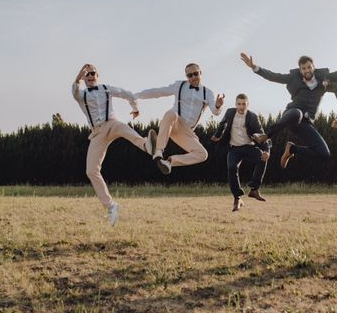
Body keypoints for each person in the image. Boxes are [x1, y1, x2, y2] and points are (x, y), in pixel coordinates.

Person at [240, 42, 337, 169]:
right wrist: (254, 67)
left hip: (305, 123)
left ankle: (292, 149)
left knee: (324, 153)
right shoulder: (294, 78)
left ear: (313, 67)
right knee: (296, 113)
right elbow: (274, 76)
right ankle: (266, 136)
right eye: (303, 68)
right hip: (291, 117)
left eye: (309, 67)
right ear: (300, 70)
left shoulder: (324, 78)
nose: (307, 70)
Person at [71, 64, 157, 226]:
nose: (89, 76)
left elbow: (127, 94)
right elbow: (74, 91)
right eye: (86, 74)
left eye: (92, 73)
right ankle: (111, 206)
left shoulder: (107, 88)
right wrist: (77, 79)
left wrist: (135, 108)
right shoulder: (81, 95)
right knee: (91, 170)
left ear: (97, 75)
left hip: (112, 123)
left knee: (127, 131)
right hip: (98, 132)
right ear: (83, 78)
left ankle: (148, 146)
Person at [136, 63, 224, 174]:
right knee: (171, 113)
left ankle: (168, 162)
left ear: (200, 73)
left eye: (195, 74)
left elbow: (215, 112)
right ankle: (158, 151)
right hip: (174, 122)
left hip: (187, 131)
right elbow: (159, 91)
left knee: (202, 154)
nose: (193, 77)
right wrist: (137, 96)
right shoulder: (180, 86)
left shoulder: (208, 93)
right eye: (189, 75)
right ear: (186, 77)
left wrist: (218, 105)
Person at [211, 93, 271, 212]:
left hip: (250, 146)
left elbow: (262, 134)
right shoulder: (230, 112)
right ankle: (237, 198)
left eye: (244, 104)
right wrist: (216, 136)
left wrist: (266, 150)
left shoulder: (253, 117)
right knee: (232, 167)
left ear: (248, 104)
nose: (241, 106)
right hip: (235, 148)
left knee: (263, 158)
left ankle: (254, 189)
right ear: (235, 104)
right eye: (239, 104)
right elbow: (222, 124)